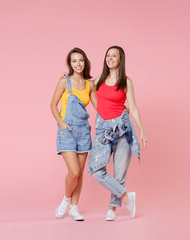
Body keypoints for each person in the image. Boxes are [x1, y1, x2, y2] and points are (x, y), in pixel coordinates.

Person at [88, 46, 147, 221]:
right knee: (96, 170)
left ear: (120, 59)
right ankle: (126, 196)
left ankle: (112, 209)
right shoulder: (98, 80)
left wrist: (142, 130)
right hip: (103, 130)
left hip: (123, 130)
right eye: (108, 55)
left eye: (114, 55)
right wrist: (67, 76)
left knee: (119, 172)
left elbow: (134, 107)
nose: (110, 58)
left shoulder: (126, 82)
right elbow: (84, 86)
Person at [50, 47, 97, 221]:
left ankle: (74, 208)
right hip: (67, 131)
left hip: (83, 130)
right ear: (70, 64)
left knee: (81, 171)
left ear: (85, 62)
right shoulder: (64, 81)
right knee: (74, 172)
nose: (78, 64)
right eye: (74, 61)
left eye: (81, 60)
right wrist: (61, 124)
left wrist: (121, 109)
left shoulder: (90, 84)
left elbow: (99, 107)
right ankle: (66, 198)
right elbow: (52, 105)